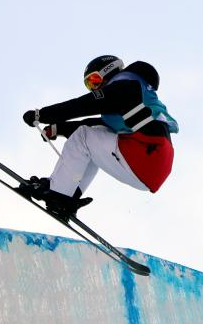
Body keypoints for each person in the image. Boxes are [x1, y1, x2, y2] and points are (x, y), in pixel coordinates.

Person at [17, 55, 179, 219]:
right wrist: (58, 128)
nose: (94, 88)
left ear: (109, 71)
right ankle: (68, 193)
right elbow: (96, 125)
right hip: (154, 164)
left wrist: (41, 115)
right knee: (93, 136)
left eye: (94, 80)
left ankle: (59, 194)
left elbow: (83, 105)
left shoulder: (125, 86)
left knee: (83, 136)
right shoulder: (136, 95)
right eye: (89, 85)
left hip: (146, 155)